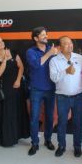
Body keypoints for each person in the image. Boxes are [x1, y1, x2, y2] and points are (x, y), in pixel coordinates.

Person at [0, 36, 30, 147]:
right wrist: (5, 60)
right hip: (6, 89)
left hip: (17, 87)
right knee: (8, 113)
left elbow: (21, 67)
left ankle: (18, 135)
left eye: (1, 41)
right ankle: (8, 139)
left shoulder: (13, 52)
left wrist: (18, 81)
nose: (1, 43)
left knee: (18, 111)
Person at [49, 36, 82, 158]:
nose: (69, 45)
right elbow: (53, 78)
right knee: (62, 123)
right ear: (59, 47)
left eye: (70, 43)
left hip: (78, 96)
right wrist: (65, 71)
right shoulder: (54, 60)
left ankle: (77, 147)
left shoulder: (80, 58)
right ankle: (61, 146)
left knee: (78, 123)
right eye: (66, 44)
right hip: (62, 97)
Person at [26, 26, 58, 155]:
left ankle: (48, 140)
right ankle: (34, 143)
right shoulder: (30, 51)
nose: (46, 36)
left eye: (46, 34)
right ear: (36, 38)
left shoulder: (53, 49)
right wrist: (49, 54)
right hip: (36, 89)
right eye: (43, 34)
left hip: (51, 89)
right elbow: (36, 65)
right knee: (34, 118)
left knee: (50, 117)